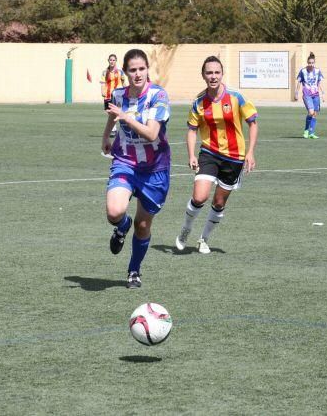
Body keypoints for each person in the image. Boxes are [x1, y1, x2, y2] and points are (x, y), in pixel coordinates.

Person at [102, 49, 171, 288]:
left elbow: (152, 133)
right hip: (125, 162)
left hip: (155, 169)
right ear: (126, 71)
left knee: (143, 224)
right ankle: (122, 226)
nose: (138, 74)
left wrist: (126, 117)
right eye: (133, 70)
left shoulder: (158, 95)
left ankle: (134, 270)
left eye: (142, 69)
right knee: (114, 211)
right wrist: (106, 137)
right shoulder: (119, 94)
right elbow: (113, 114)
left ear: (147, 70)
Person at [175, 56, 258, 254]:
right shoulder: (199, 103)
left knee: (219, 202)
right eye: (209, 73)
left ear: (222, 74)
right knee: (199, 197)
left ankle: (203, 238)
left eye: (217, 72)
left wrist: (250, 152)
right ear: (203, 75)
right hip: (209, 152)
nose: (213, 76)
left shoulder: (236, 97)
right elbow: (192, 130)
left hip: (234, 157)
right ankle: (186, 228)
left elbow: (253, 123)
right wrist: (191, 155)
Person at [294, 52, 324, 139]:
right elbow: (299, 82)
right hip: (307, 94)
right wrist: (296, 93)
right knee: (310, 112)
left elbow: (319, 82)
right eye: (309, 63)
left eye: (312, 63)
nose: (311, 64)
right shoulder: (303, 71)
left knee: (314, 113)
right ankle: (306, 130)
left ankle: (311, 133)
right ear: (307, 63)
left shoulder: (318, 71)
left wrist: (323, 93)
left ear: (314, 63)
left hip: (316, 95)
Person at [100, 53, 126, 135]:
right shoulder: (105, 72)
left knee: (118, 111)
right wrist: (102, 91)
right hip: (108, 94)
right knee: (109, 112)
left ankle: (123, 128)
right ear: (108, 61)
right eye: (110, 60)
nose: (112, 61)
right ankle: (114, 130)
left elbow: (123, 81)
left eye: (113, 60)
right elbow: (102, 82)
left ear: (116, 61)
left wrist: (126, 90)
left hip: (118, 94)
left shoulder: (120, 72)